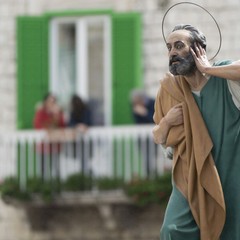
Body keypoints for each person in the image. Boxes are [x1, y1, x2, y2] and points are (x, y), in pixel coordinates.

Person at [152, 24, 240, 240]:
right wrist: (166, 122)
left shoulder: (224, 77)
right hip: (190, 175)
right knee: (172, 230)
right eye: (169, 47)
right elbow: (159, 137)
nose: (172, 52)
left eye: (179, 46)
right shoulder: (170, 89)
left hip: (230, 171)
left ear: (198, 49)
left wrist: (207, 69)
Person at [34, 93, 66, 180]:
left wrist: (57, 115)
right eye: (50, 101)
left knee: (56, 167)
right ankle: (43, 186)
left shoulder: (58, 113)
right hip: (43, 144)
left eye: (54, 101)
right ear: (45, 102)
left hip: (55, 143)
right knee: (43, 167)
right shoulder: (41, 112)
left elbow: (62, 126)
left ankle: (56, 186)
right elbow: (38, 125)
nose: (52, 103)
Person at [130, 89, 157, 176]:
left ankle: (154, 175)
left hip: (154, 136)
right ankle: (148, 175)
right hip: (142, 137)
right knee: (145, 158)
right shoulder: (135, 106)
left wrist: (145, 113)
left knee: (153, 157)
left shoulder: (153, 103)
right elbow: (138, 122)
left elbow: (156, 120)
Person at [68, 94, 92, 175]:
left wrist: (83, 126)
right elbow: (70, 123)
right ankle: (81, 175)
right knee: (80, 159)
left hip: (86, 140)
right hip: (76, 140)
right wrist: (77, 126)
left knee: (85, 159)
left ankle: (86, 174)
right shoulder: (73, 113)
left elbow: (88, 122)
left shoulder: (86, 111)